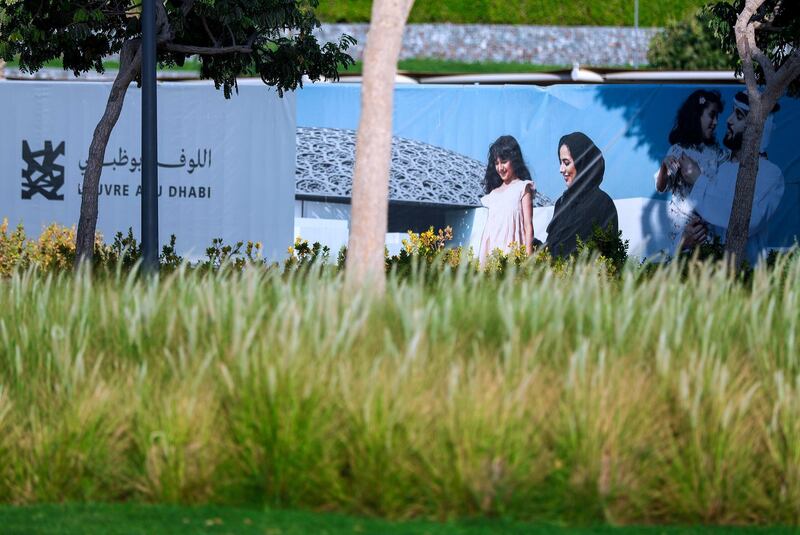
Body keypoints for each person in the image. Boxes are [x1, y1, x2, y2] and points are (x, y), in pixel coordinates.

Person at [686, 91, 784, 265]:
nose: (728, 120)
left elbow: (746, 221)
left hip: (745, 279)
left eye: (739, 116)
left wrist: (698, 181)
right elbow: (711, 216)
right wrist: (693, 231)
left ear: (758, 129)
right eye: (732, 112)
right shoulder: (722, 167)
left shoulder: (770, 174)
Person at [656, 90, 729, 252]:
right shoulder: (677, 150)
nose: (716, 122)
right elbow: (661, 187)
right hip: (682, 231)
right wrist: (663, 167)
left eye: (717, 117)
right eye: (712, 115)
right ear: (696, 116)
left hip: (709, 233)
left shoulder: (719, 153)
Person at [545, 132, 618, 257]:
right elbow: (553, 249)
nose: (561, 169)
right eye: (560, 162)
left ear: (582, 163)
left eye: (566, 162)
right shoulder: (562, 203)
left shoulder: (602, 203)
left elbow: (607, 256)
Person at [478, 135, 535, 265]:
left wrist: (528, 263)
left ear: (514, 159)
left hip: (514, 259)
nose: (500, 168)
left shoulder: (523, 187)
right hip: (493, 259)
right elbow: (488, 235)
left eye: (503, 161)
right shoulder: (492, 195)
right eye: (496, 163)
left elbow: (528, 226)